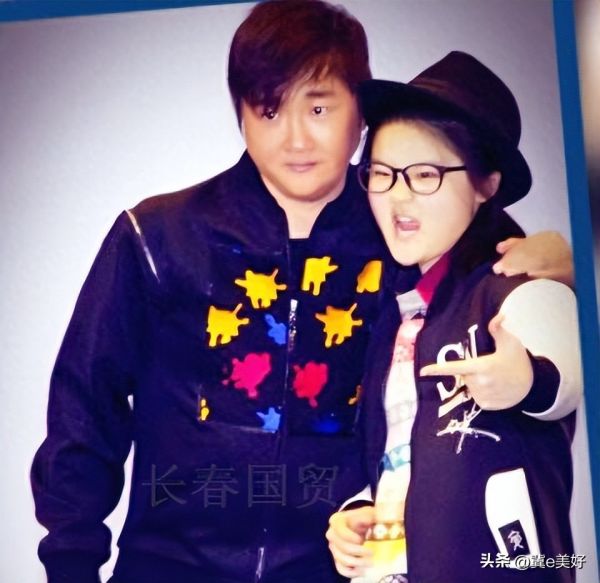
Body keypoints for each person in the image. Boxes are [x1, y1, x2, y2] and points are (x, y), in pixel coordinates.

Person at [30, 2, 573, 582]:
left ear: (359, 116)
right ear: (240, 115)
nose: (295, 139)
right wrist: (71, 562)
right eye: (268, 110)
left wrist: (565, 262)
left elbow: (489, 257)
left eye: (318, 108)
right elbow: (84, 407)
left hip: (331, 569)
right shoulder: (159, 237)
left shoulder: (403, 244)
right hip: (168, 566)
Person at [326, 51, 582, 583]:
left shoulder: (516, 285)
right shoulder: (396, 314)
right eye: (382, 174)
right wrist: (357, 510)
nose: (398, 196)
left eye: (425, 174)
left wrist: (528, 381)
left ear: (486, 183)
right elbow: (396, 449)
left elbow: (567, 373)